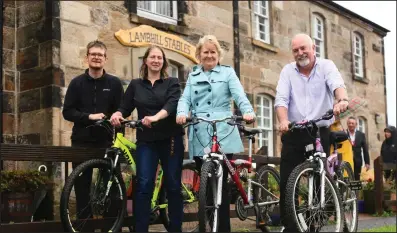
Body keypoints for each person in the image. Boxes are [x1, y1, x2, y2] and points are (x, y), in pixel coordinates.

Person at [176, 35, 255, 232]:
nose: (209, 55)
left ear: (218, 55)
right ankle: (210, 227)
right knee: (206, 186)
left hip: (223, 129)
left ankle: (222, 228)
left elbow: (239, 95)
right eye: (206, 52)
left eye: (213, 52)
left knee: (220, 183)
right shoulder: (193, 76)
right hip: (200, 129)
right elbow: (185, 99)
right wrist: (181, 113)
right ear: (199, 55)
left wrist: (247, 111)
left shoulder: (228, 73)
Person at [274, 33, 349, 232]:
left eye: (303, 48)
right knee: (288, 180)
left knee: (319, 175)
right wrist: (283, 120)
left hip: (319, 129)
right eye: (296, 50)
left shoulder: (326, 66)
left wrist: (341, 101)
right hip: (294, 130)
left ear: (313, 48)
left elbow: (337, 85)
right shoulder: (287, 71)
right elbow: (281, 99)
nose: (300, 53)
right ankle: (290, 226)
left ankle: (315, 221)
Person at [110, 45, 184, 232]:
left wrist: (156, 117)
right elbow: (125, 106)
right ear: (145, 60)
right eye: (153, 57)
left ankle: (175, 229)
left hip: (171, 139)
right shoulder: (136, 85)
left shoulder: (172, 82)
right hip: (146, 140)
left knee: (173, 185)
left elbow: (172, 104)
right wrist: (118, 114)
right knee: (143, 184)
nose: (156, 60)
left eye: (160, 57)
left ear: (163, 62)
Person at [62, 40, 124, 220]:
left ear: (105, 59)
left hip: (106, 143)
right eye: (93, 54)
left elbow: (120, 112)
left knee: (111, 188)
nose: (96, 57)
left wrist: (118, 141)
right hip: (81, 142)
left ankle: (112, 226)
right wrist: (89, 116)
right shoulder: (76, 83)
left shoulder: (114, 83)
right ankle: (84, 226)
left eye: (100, 55)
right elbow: (67, 112)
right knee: (82, 188)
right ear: (87, 57)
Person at [346, 116, 370, 180]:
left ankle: (356, 190)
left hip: (357, 162)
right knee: (347, 179)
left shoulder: (361, 135)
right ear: (347, 124)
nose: (351, 125)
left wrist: (367, 162)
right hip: (346, 161)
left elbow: (365, 150)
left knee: (357, 179)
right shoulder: (344, 134)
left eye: (352, 123)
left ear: (356, 125)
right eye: (349, 123)